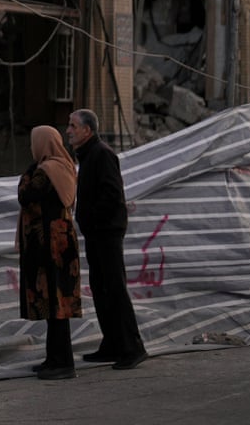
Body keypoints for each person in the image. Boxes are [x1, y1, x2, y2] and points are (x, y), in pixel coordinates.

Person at [66, 108, 148, 370]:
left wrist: (90, 218)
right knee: (101, 289)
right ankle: (112, 344)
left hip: (106, 233)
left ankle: (133, 347)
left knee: (114, 290)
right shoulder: (88, 156)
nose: (68, 130)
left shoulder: (102, 154)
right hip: (96, 233)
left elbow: (112, 196)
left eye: (73, 126)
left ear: (87, 130)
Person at [16, 125, 82, 380]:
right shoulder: (62, 165)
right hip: (59, 245)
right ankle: (53, 359)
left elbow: (25, 194)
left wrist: (30, 169)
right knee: (55, 307)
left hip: (50, 248)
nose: (32, 148)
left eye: (35, 143)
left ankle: (63, 363)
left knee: (57, 307)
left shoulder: (46, 171)